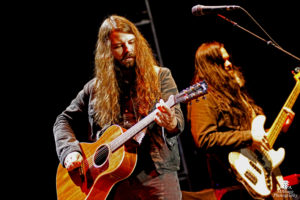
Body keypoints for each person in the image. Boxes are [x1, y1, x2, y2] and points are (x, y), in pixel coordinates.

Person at [53, 15, 184, 200]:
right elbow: (63, 120)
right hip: (113, 182)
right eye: (118, 46)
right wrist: (69, 152)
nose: (128, 50)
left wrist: (170, 122)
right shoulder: (94, 88)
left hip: (157, 176)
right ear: (107, 51)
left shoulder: (161, 76)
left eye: (131, 42)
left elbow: (177, 122)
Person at [187, 41, 289, 199]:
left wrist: (278, 128)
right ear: (210, 66)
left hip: (262, 171)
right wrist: (248, 137)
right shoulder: (203, 97)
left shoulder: (235, 93)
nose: (228, 64)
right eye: (222, 61)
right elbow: (204, 139)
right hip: (235, 183)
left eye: (228, 59)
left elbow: (254, 137)